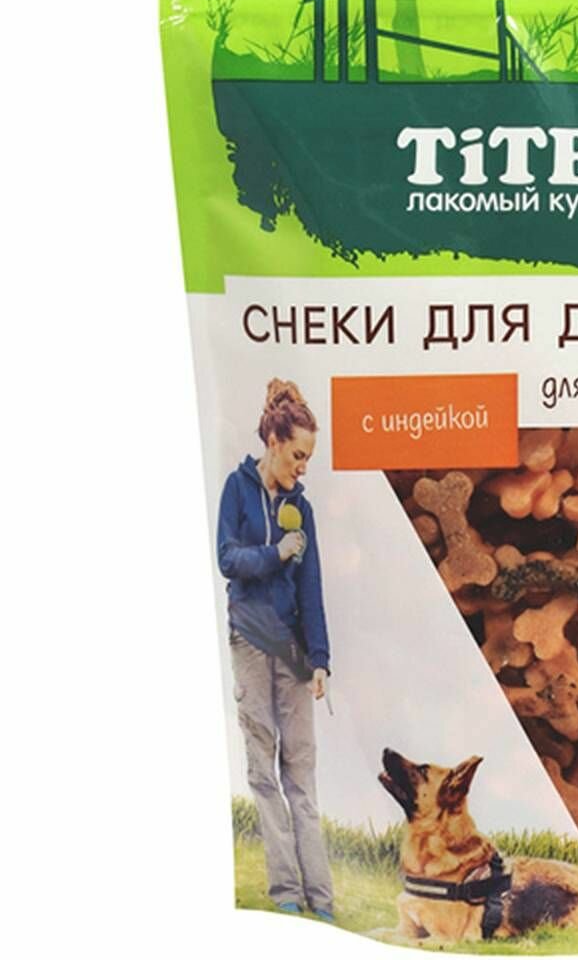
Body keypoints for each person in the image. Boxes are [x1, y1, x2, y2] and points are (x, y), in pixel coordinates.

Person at [217, 379, 334, 921]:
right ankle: (286, 892)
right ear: (273, 441)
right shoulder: (237, 490)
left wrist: (320, 659)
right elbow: (228, 559)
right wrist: (275, 552)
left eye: (308, 458)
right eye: (298, 455)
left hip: (291, 652)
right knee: (263, 771)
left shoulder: (301, 509)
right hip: (248, 640)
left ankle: (322, 900)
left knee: (301, 773)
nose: (303, 467)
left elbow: (311, 586)